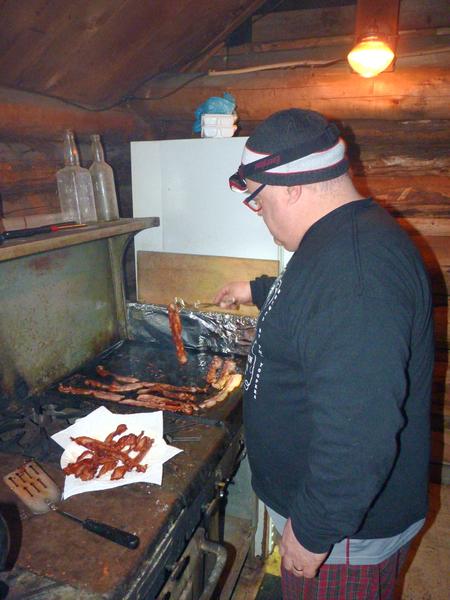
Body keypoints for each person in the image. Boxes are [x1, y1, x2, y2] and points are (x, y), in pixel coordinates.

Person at [214, 109, 434, 599]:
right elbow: (308, 300)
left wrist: (313, 530)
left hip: (344, 531)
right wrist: (256, 288)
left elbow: (360, 432)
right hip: (331, 514)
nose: (261, 214)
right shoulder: (341, 239)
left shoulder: (355, 275)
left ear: (292, 188)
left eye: (259, 200)